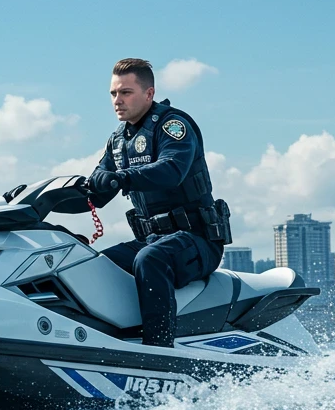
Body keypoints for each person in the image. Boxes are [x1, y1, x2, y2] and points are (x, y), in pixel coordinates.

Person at [85, 58, 231, 347]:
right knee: (96, 265)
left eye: (125, 92)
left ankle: (159, 348)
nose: (117, 100)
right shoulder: (118, 141)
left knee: (150, 259)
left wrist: (122, 178)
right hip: (153, 239)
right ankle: (108, 342)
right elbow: (97, 189)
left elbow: (172, 170)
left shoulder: (173, 126)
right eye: (113, 94)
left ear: (148, 94)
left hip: (198, 240)